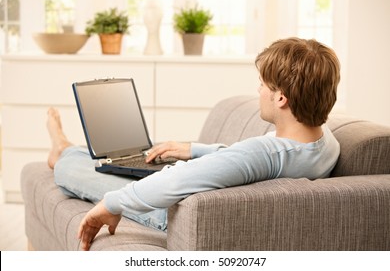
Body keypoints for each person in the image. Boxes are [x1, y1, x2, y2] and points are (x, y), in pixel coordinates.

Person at [47, 37, 341, 251]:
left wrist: (111, 203)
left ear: (281, 98)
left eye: (263, 83)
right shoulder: (324, 142)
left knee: (75, 168)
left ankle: (62, 152)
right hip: (198, 193)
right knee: (116, 160)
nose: (258, 89)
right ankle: (71, 149)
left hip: (169, 210)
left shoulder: (267, 154)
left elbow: (180, 179)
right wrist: (193, 149)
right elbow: (245, 161)